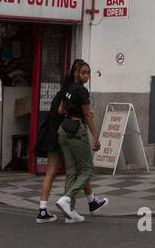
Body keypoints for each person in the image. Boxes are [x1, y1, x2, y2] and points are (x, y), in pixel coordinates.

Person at [54, 60, 107, 222]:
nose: (87, 76)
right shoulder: (81, 91)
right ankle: (67, 199)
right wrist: (96, 137)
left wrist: (71, 111)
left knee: (71, 172)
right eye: (83, 72)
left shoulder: (68, 88)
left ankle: (70, 213)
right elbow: (87, 115)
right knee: (88, 170)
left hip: (63, 130)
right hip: (77, 131)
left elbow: (61, 110)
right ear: (76, 73)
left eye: (88, 73)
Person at [33, 59, 80, 223]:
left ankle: (43, 209)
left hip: (51, 136)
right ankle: (70, 207)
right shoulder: (69, 94)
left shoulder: (60, 93)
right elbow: (64, 113)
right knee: (76, 171)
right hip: (62, 137)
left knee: (51, 172)